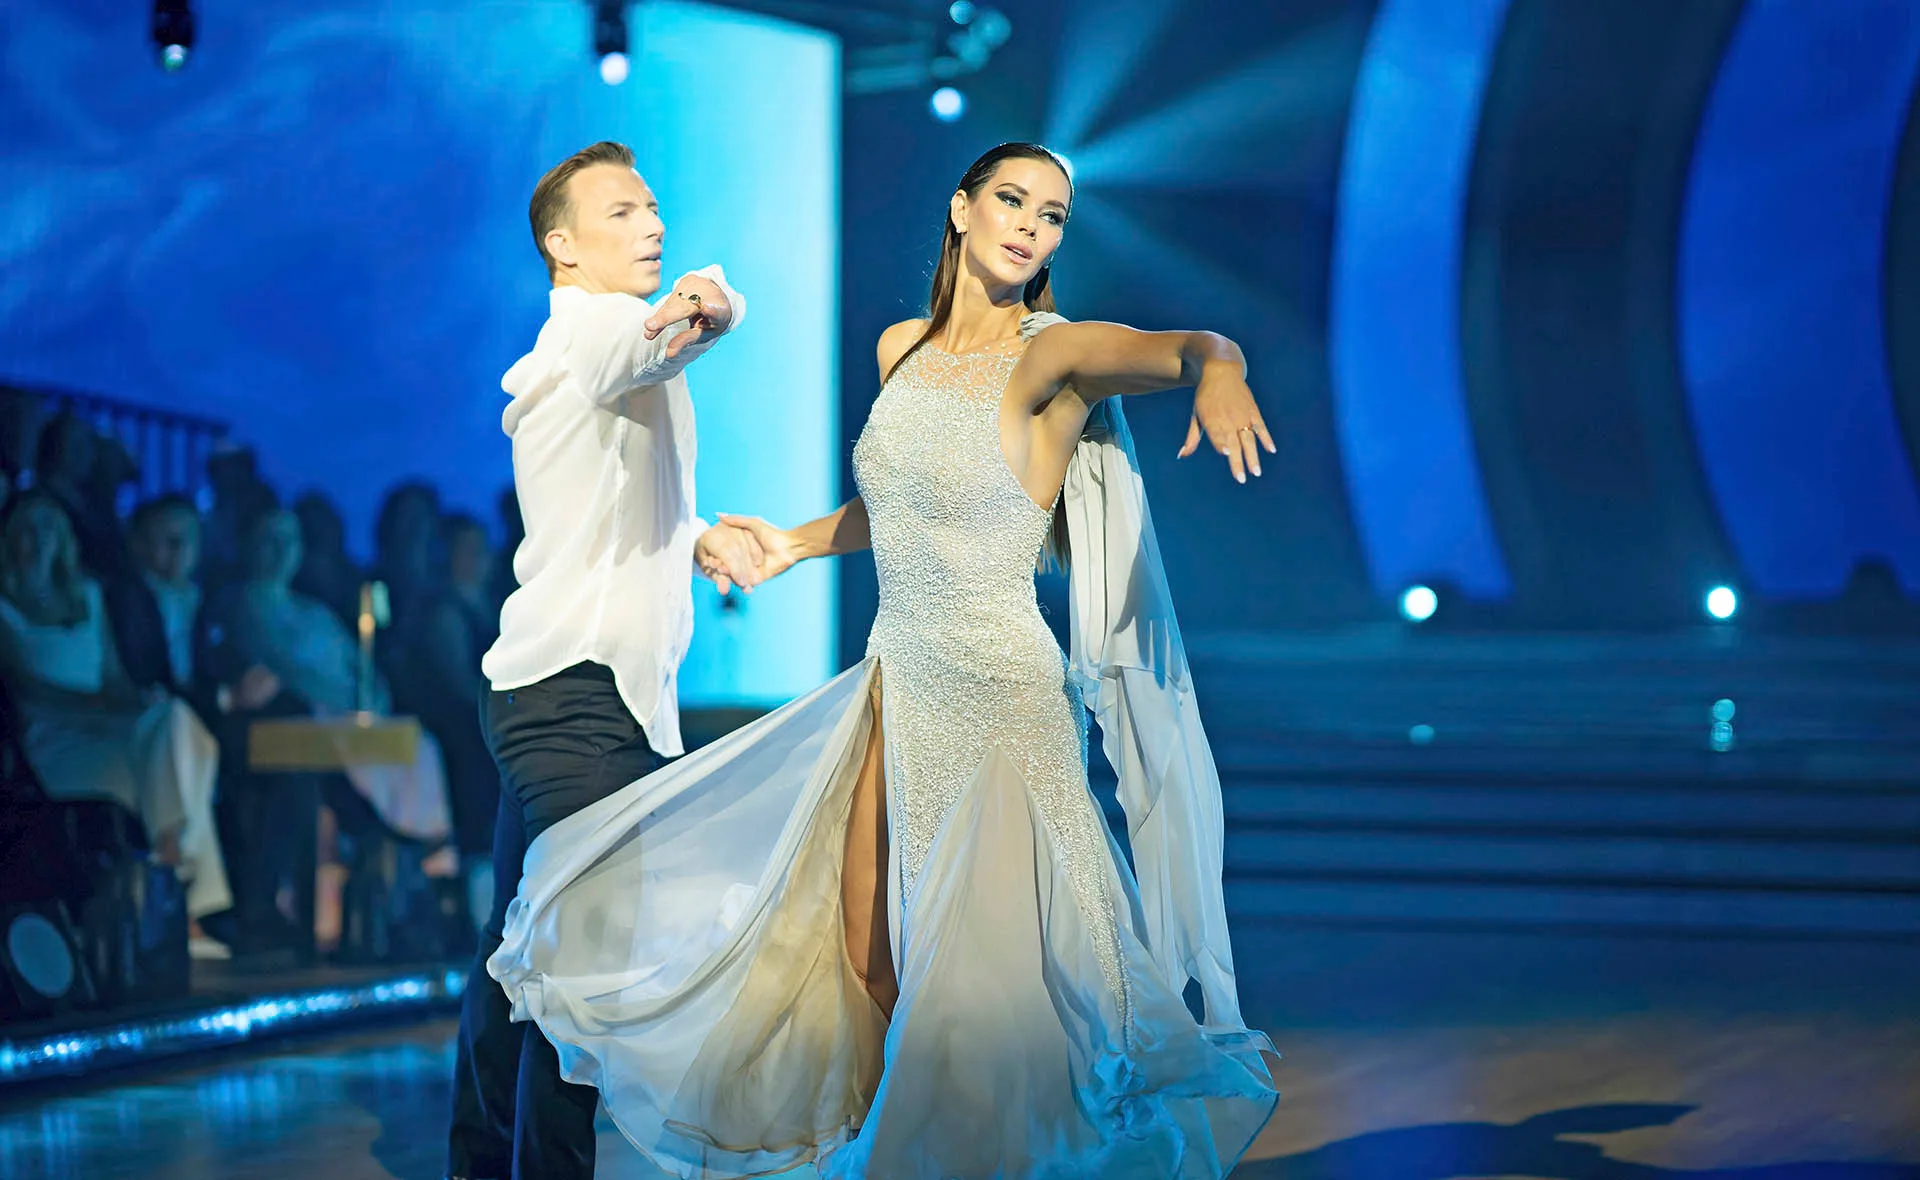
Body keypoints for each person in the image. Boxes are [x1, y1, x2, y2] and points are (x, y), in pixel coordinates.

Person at [486, 142, 1281, 1179]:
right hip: (895, 682)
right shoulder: (900, 347)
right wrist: (793, 542)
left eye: (1050, 216)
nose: (1029, 225)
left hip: (999, 695)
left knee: (994, 991)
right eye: (1011, 200)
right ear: (961, 208)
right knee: (865, 958)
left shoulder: (1052, 355)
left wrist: (1221, 367)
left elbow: (1185, 346)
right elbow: (902, 503)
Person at [444, 140, 763, 1180]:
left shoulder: (601, 338)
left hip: (563, 691)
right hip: (574, 700)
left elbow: (610, 491)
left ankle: (479, 1161)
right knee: (579, 965)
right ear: (563, 246)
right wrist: (704, 304)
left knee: (518, 952)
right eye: (622, 211)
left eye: (652, 206)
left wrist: (696, 535)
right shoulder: (593, 327)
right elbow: (648, 347)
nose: (651, 224)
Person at [0, 489, 233, 958]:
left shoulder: (88, 596)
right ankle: (179, 903)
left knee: (174, 719)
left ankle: (170, 865)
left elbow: (114, 679)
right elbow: (27, 691)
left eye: (49, 527)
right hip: (55, 743)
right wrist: (102, 706)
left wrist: (138, 702)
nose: (39, 539)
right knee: (181, 754)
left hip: (110, 734)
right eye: (27, 528)